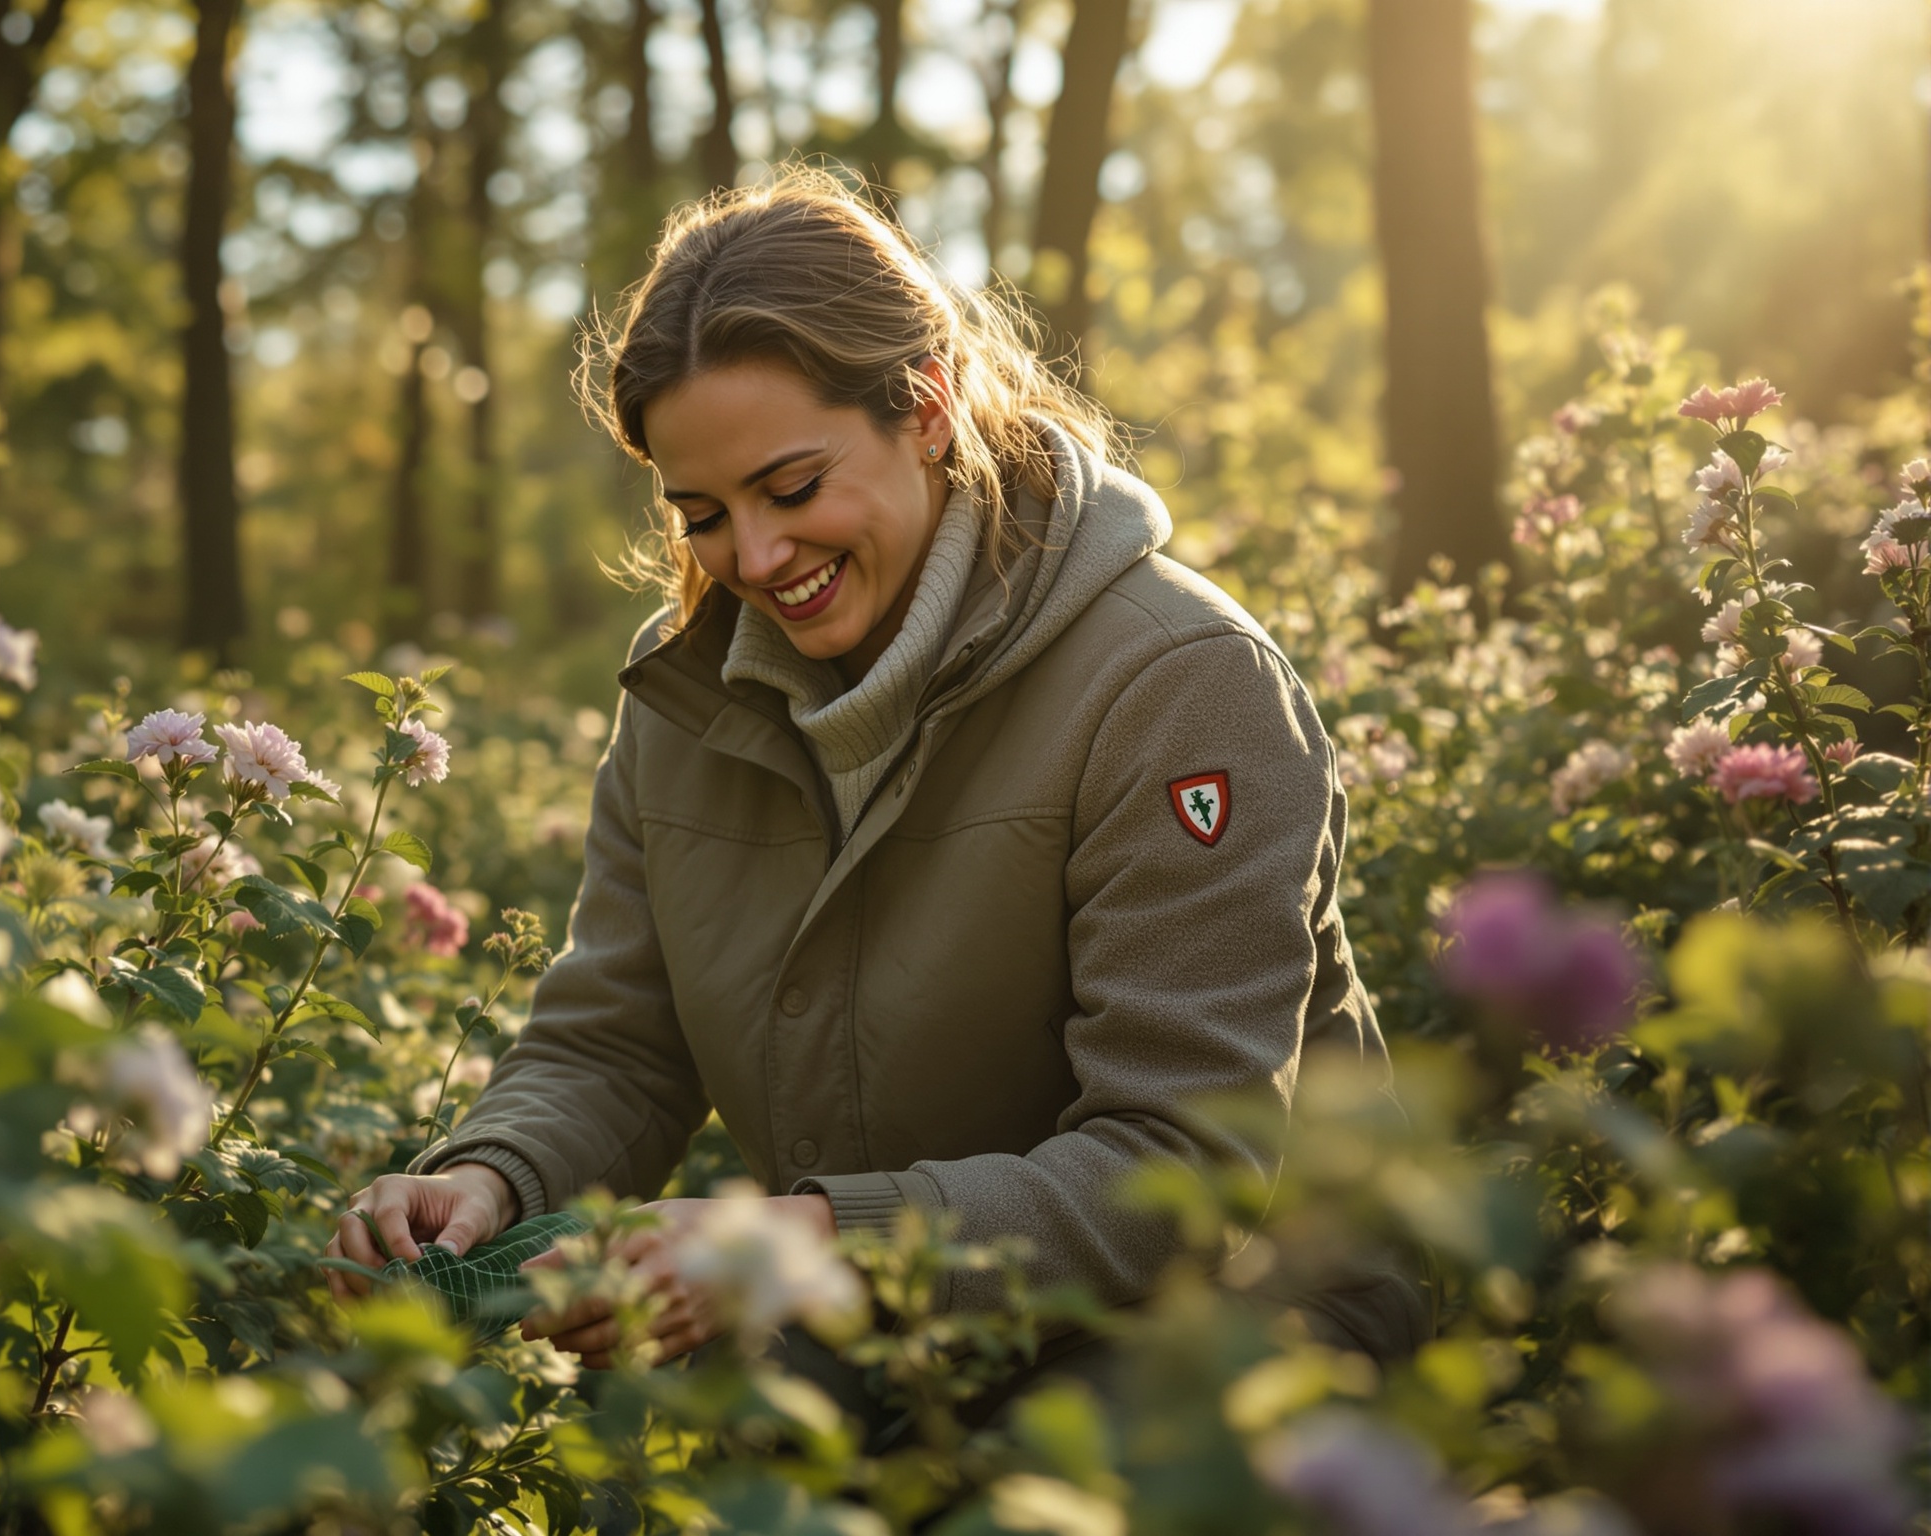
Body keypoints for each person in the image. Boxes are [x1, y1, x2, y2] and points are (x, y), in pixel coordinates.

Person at [325, 168, 1424, 1398]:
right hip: (885, 1320)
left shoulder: (1178, 684)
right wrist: (490, 1177)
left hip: (1232, 1322)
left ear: (927, 407)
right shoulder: (682, 694)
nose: (753, 557)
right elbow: (621, 1045)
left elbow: (1180, 1170)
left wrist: (801, 1246)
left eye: (793, 489)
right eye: (700, 514)